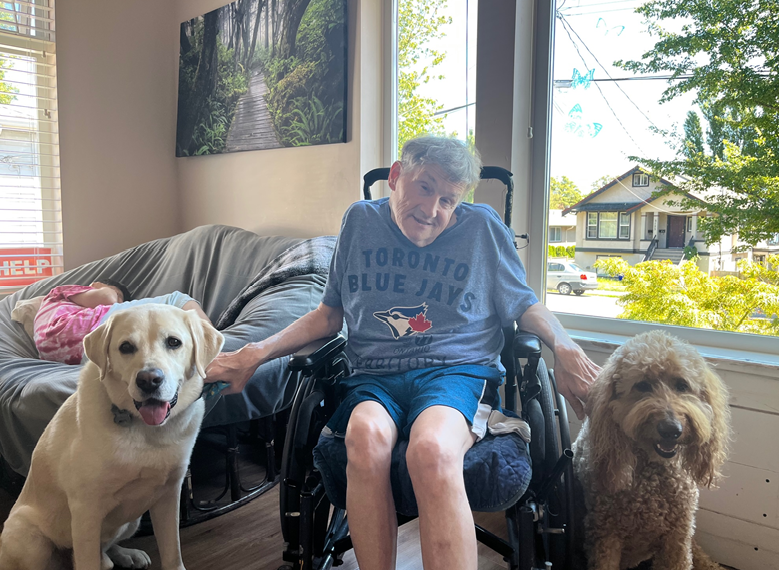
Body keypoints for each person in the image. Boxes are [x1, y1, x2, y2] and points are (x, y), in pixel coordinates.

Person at [206, 135, 600, 570]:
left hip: (455, 374)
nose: (433, 210)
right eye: (425, 187)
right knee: (365, 437)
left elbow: (524, 304)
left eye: (448, 199)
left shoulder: (483, 229)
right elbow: (327, 315)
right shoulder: (359, 222)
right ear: (396, 176)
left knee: (430, 449)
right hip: (374, 378)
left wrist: (564, 346)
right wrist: (254, 353)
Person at [34, 279, 209, 365]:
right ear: (96, 284)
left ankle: (207, 341)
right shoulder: (60, 292)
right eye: (120, 297)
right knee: (177, 299)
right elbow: (108, 298)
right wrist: (111, 293)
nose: (120, 304)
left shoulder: (47, 312)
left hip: (70, 356)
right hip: (87, 333)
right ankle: (209, 341)